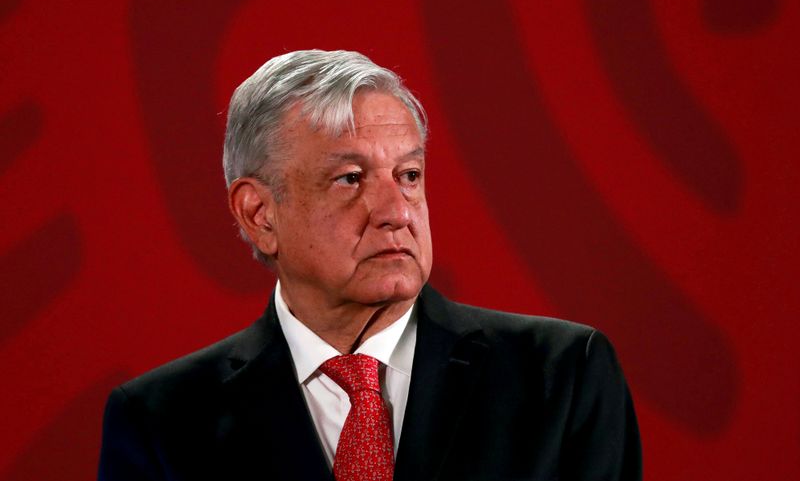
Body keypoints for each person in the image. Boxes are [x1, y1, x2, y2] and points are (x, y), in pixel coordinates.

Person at [98, 49, 641, 481]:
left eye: (408, 175)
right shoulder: (161, 421)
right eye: (351, 179)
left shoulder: (561, 377)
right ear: (259, 213)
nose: (397, 212)